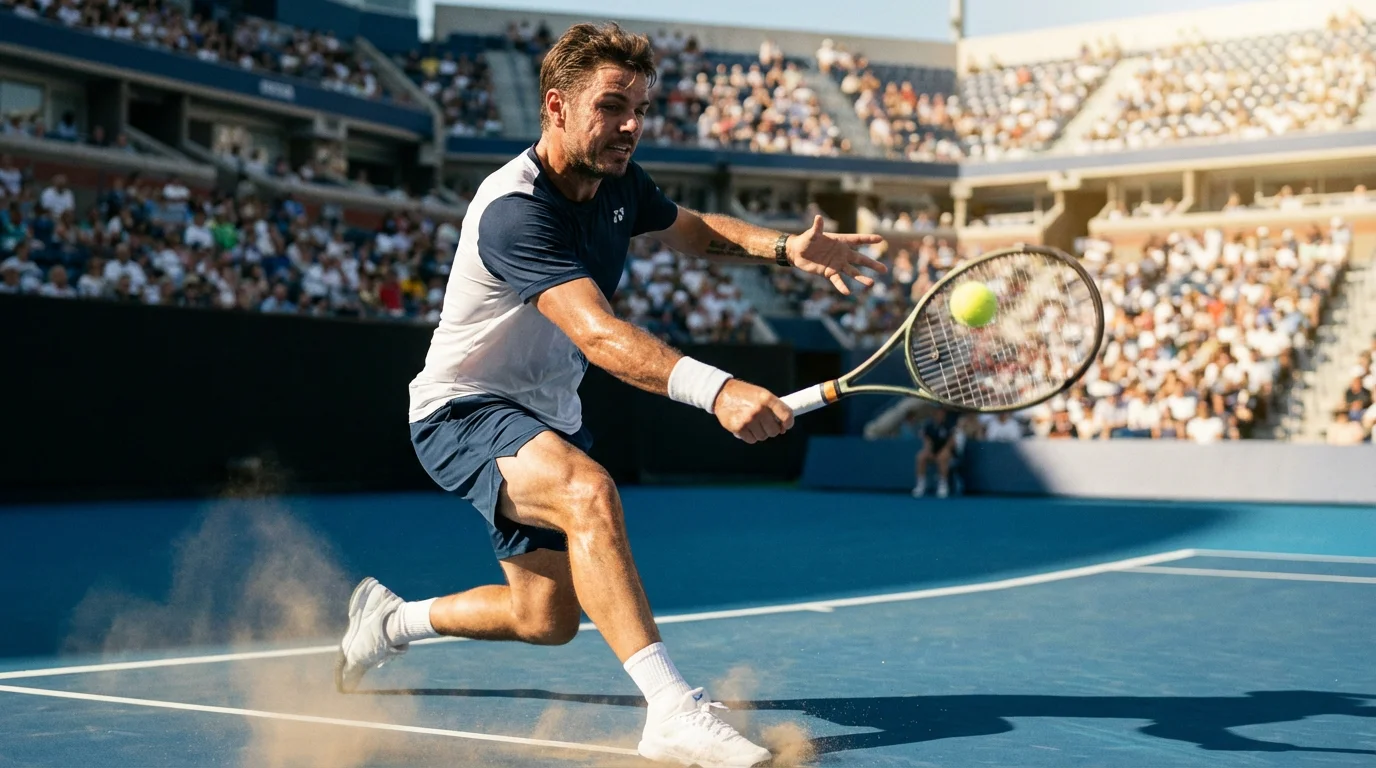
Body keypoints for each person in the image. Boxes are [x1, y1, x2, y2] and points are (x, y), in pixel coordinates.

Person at [334, 23, 885, 768]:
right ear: (556, 107)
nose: (631, 125)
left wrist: (783, 246)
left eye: (641, 109)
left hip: (544, 415)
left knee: (545, 617)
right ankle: (670, 713)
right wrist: (717, 390)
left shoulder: (620, 183)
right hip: (461, 410)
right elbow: (597, 335)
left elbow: (690, 231)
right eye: (612, 105)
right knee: (589, 492)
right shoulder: (514, 210)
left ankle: (391, 622)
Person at [912, 406, 959, 498]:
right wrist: (928, 450)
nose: (939, 415)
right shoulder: (929, 426)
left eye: (941, 413)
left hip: (948, 452)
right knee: (921, 456)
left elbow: (952, 442)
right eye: (937, 413)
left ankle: (943, 485)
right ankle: (921, 485)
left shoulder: (949, 425)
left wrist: (944, 451)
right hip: (934, 452)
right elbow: (927, 441)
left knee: (942, 457)